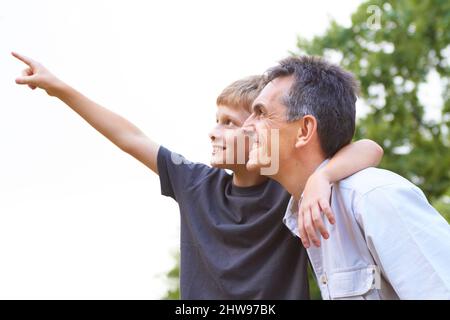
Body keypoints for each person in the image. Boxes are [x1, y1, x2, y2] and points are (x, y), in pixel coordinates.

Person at [12, 52, 383, 299]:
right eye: (215, 120)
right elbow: (129, 137)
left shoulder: (286, 190)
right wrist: (58, 88)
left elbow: (371, 149)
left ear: (257, 130)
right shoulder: (196, 184)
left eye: (229, 124)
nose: (213, 132)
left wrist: (322, 177)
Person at [243, 55, 450, 299]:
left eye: (260, 113)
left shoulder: (374, 196)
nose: (246, 125)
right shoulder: (308, 211)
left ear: (304, 130)